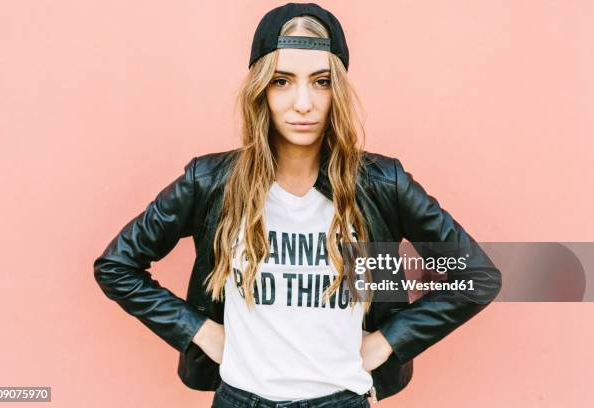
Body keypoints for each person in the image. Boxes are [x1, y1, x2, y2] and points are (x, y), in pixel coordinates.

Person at [93, 3, 502, 407]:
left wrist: (388, 341)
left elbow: (478, 277)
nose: (303, 103)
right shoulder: (212, 182)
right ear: (261, 89)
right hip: (240, 398)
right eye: (283, 81)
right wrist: (198, 330)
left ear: (337, 90)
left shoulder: (379, 185)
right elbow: (116, 266)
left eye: (321, 81)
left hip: (340, 399)